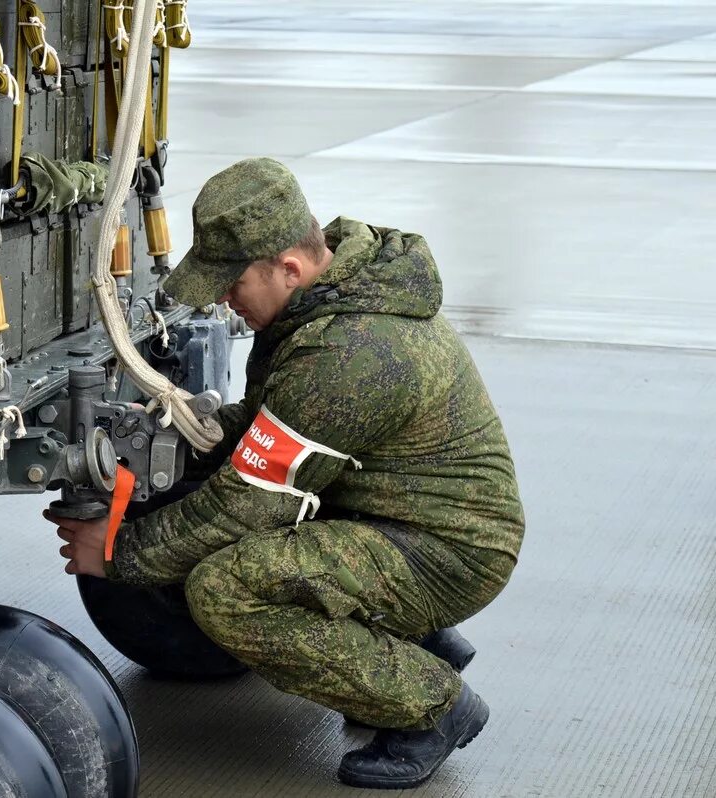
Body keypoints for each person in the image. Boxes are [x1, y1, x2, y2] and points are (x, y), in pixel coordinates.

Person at [45, 157, 525, 789]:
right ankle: (419, 639)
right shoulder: (335, 296)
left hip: (445, 549)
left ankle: (431, 706)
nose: (222, 300)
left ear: (288, 267)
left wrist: (118, 553)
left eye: (231, 283)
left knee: (227, 589)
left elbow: (244, 506)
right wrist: (188, 432)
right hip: (398, 513)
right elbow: (283, 427)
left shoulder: (349, 352)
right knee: (226, 523)